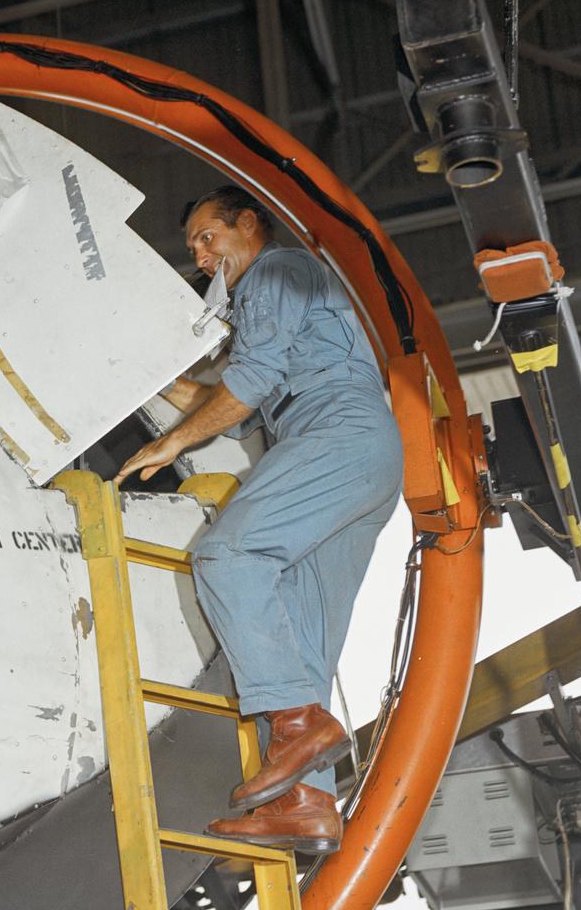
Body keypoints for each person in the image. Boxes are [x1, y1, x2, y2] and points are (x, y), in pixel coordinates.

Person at [114, 185, 402, 853]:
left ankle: (301, 728)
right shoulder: (275, 300)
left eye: (208, 238)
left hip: (335, 430)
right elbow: (226, 396)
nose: (200, 255)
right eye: (192, 249)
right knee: (301, 644)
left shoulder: (275, 271)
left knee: (227, 557)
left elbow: (249, 382)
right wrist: (142, 375)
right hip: (359, 454)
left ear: (249, 223)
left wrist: (172, 441)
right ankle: (308, 803)